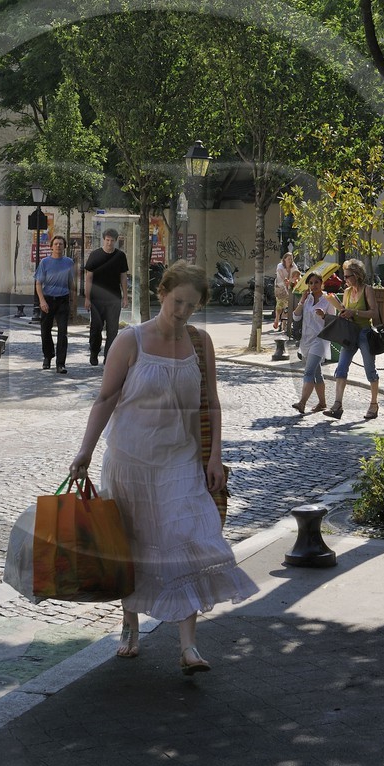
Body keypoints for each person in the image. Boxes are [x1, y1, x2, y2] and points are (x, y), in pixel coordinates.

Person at [69, 262, 257, 672]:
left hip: (180, 460)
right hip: (130, 460)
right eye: (177, 302)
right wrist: (85, 451)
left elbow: (211, 403)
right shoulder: (130, 340)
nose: (183, 311)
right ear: (161, 294)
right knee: (131, 547)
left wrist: (214, 456)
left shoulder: (200, 343)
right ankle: (130, 625)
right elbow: (105, 399)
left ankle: (188, 646)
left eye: (191, 305)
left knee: (187, 541)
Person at [325, 258, 381, 421]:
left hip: (364, 333)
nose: (345, 279)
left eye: (347, 276)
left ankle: (374, 404)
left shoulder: (367, 290)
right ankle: (337, 405)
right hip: (350, 333)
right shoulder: (347, 292)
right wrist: (343, 312)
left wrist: (354, 312)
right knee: (341, 369)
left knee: (370, 371)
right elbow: (345, 311)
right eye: (344, 276)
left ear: (357, 275)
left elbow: (374, 313)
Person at [292, 271, 341, 416]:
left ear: (322, 283)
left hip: (320, 339)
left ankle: (302, 403)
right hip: (306, 339)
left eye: (316, 282)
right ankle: (322, 403)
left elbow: (334, 321)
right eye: (311, 283)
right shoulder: (307, 299)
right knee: (317, 373)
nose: (313, 285)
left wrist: (323, 315)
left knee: (308, 372)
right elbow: (295, 317)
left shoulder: (328, 299)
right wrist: (302, 301)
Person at [84, 227, 129, 366]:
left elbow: (123, 277)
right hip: (97, 299)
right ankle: (94, 351)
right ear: (104, 240)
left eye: (112, 240)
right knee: (96, 328)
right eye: (107, 240)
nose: (109, 243)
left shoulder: (120, 256)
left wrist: (125, 297)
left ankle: (109, 356)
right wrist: (87, 298)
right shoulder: (95, 255)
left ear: (116, 241)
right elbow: (89, 278)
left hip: (114, 298)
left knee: (112, 329)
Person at [35, 235, 75, 372]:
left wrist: (72, 302)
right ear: (51, 246)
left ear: (64, 247)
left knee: (62, 332)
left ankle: (60, 363)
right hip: (48, 300)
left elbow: (71, 283)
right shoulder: (45, 262)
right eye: (56, 244)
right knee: (45, 331)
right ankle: (48, 356)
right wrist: (42, 301)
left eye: (61, 244)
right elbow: (38, 283)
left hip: (63, 300)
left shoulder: (69, 262)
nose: (58, 246)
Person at [273, 250, 297, 333]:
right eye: (288, 259)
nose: (290, 260)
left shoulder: (294, 266)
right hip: (280, 286)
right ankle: (277, 319)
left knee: (288, 305)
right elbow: (282, 276)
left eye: (291, 259)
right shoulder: (280, 266)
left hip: (289, 286)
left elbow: (297, 274)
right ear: (284, 259)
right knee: (280, 303)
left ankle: (284, 324)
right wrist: (286, 281)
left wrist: (295, 280)